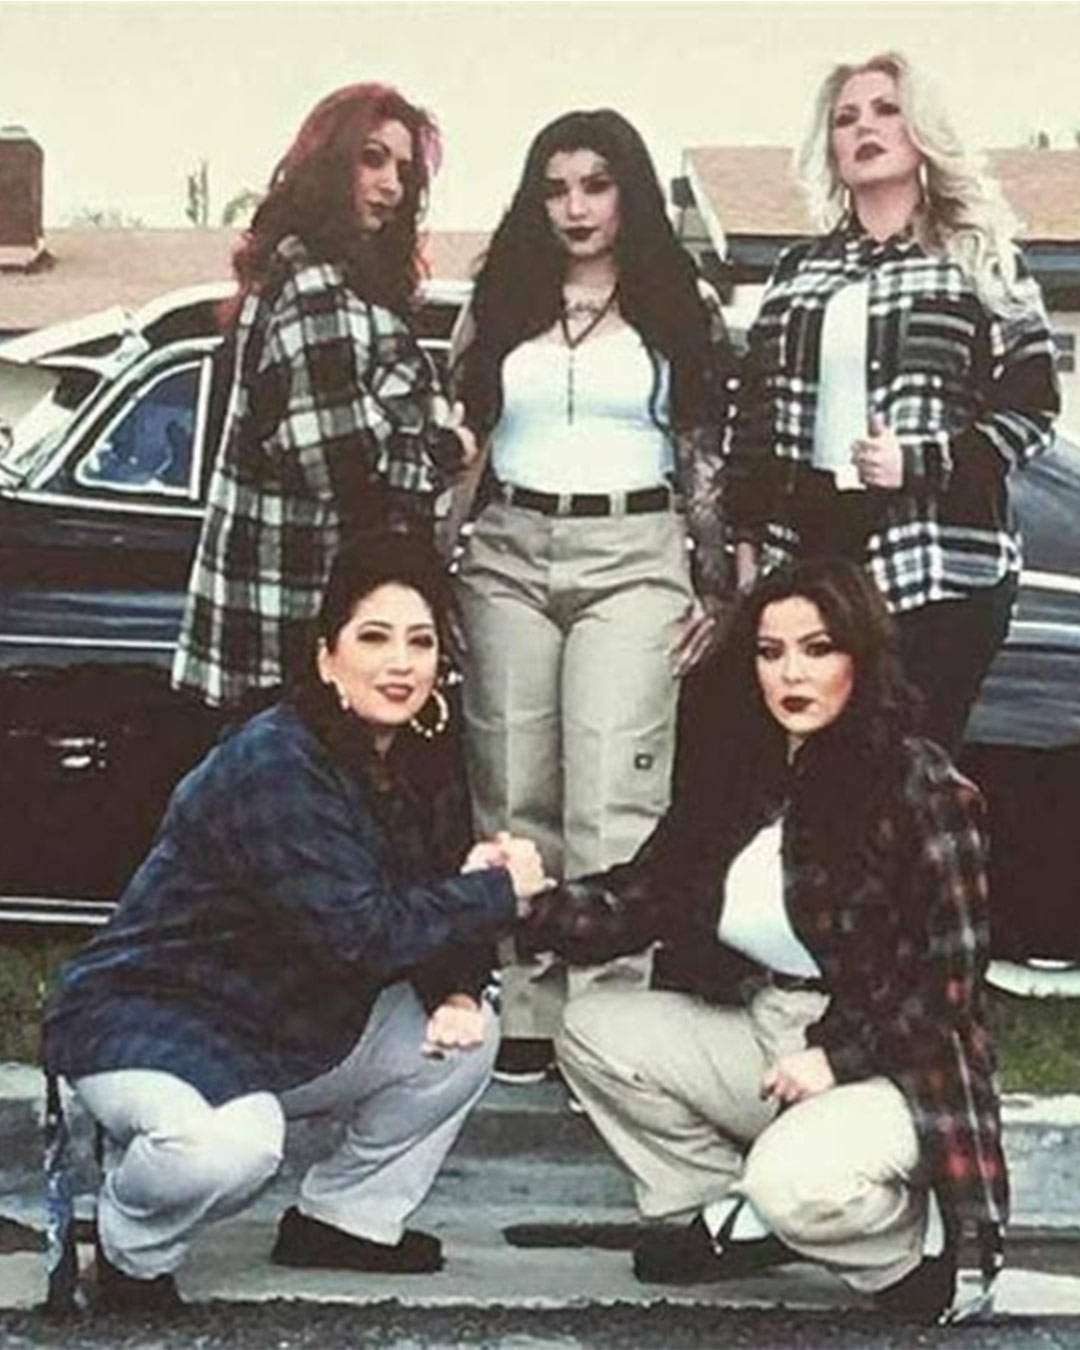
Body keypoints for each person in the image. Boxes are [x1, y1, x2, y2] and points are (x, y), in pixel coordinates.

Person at [45, 534, 547, 1312]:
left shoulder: (412, 754)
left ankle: (345, 1220)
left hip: (284, 1020)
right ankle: (125, 1248)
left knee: (465, 1031)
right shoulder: (277, 760)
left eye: (420, 642)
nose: (401, 664)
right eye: (373, 638)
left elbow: (427, 898)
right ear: (325, 657)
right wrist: (495, 892)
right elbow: (363, 932)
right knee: (231, 1146)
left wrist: (457, 976)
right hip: (154, 1017)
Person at [522, 557, 1007, 1323]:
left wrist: (838, 1057)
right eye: (770, 652)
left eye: (818, 649)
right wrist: (521, 902)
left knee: (794, 1183)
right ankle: (731, 1216)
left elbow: (948, 985)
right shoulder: (742, 777)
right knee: (593, 1028)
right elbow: (643, 897)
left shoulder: (922, 786)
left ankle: (906, 1259)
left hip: (897, 1063)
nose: (792, 673)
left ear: (862, 658)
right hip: (772, 1030)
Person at [445, 109, 735, 1078]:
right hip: (508, 552)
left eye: (595, 185)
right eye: (556, 188)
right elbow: (465, 447)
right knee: (511, 783)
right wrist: (435, 571)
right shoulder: (500, 297)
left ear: (629, 193)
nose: (575, 207)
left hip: (634, 551)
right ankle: (527, 1008)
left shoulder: (677, 299)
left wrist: (714, 583)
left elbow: (701, 448)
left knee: (615, 787)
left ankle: (605, 1024)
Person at [729, 51, 1059, 753]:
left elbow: (1031, 410)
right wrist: (746, 541)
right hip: (811, 550)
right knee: (810, 771)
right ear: (830, 147)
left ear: (923, 132)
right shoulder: (798, 271)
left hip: (939, 560)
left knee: (911, 769)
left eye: (886, 110)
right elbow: (754, 416)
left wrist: (919, 460)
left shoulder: (981, 258)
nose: (864, 128)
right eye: (845, 118)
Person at [172, 83, 476, 711]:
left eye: (404, 170)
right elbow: (342, 464)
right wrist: (447, 447)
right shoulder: (315, 283)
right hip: (300, 602)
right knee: (296, 767)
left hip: (302, 599)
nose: (391, 185)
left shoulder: (330, 278)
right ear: (328, 163)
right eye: (372, 159)